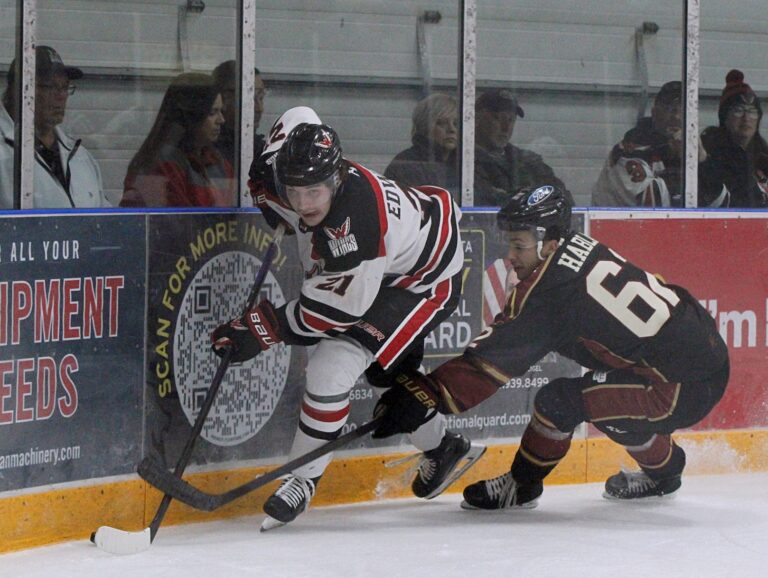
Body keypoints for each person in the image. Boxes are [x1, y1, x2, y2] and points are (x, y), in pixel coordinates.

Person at [371, 183, 730, 510]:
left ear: (551, 243)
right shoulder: (576, 246)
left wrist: (425, 394)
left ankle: (522, 486)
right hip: (701, 352)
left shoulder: (549, 293)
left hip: (677, 386)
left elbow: (487, 364)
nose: (511, 255)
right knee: (613, 411)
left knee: (559, 402)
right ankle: (666, 474)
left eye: (519, 245)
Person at [211, 106, 483, 530]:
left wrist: (261, 329)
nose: (302, 203)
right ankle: (444, 445)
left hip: (421, 280)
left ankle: (302, 480)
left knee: (329, 370)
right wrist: (266, 185)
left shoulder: (353, 227)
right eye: (293, 192)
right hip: (391, 258)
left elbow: (335, 311)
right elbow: (301, 114)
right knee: (387, 378)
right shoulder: (297, 170)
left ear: (337, 179)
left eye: (313, 193)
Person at [0, 45, 108, 208]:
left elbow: (106, 222)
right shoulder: (4, 152)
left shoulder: (81, 159)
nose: (61, 96)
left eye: (64, 87)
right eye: (50, 86)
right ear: (20, 89)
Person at [120, 72, 234, 207]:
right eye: (212, 113)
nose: (221, 120)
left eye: (221, 111)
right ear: (190, 116)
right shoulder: (161, 165)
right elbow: (175, 224)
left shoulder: (215, 160)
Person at [591, 81, 687, 207]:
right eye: (671, 109)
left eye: (684, 110)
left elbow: (715, 202)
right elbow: (651, 203)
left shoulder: (687, 151)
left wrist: (702, 160)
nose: (677, 117)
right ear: (655, 113)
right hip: (616, 226)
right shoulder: (628, 150)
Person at [473, 88, 568, 206]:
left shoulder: (529, 161)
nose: (505, 128)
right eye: (498, 118)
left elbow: (563, 198)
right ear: (477, 119)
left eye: (511, 119)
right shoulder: (463, 162)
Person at [698, 69, 768, 208]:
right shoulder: (710, 152)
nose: (746, 118)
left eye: (752, 111)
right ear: (724, 116)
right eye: (739, 110)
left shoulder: (762, 156)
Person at [384, 93, 459, 198]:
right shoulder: (406, 165)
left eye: (456, 123)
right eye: (441, 123)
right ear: (425, 126)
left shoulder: (465, 164)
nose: (451, 129)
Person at [211, 60, 267, 168]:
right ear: (225, 98)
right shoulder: (208, 152)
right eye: (251, 99)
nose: (259, 109)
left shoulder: (260, 150)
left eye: (261, 98)